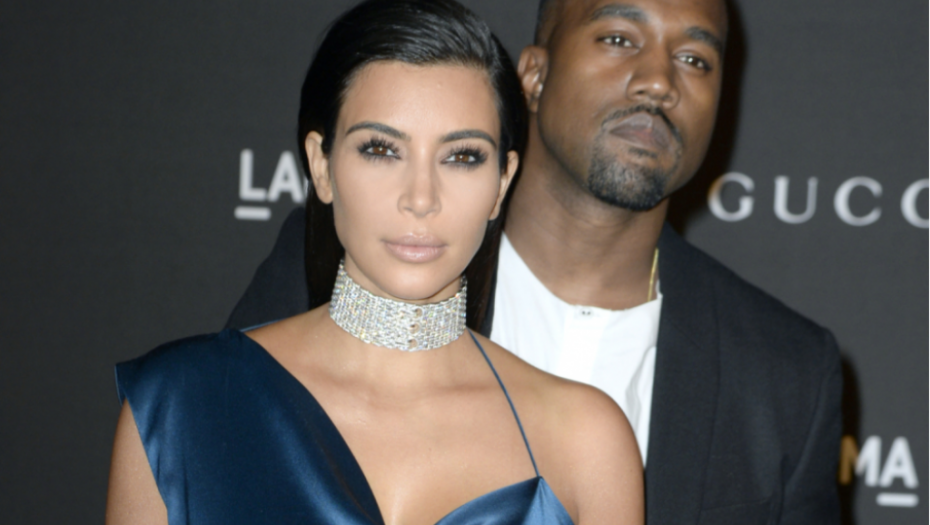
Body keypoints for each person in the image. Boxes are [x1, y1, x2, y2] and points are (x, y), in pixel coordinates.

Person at [227, 0, 843, 523]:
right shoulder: (351, 263)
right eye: (618, 39)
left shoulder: (786, 373)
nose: (659, 80)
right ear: (534, 76)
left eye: (695, 58)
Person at [106, 1, 644, 524]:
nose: (421, 198)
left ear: (501, 184)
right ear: (321, 167)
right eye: (381, 150)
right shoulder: (178, 405)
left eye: (461, 157)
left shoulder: (585, 443)